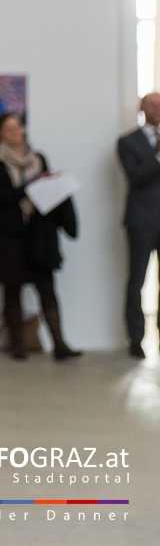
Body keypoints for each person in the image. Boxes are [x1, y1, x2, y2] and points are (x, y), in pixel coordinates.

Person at [0, 113, 80, 361]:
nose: (14, 132)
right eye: (8, 128)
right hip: (8, 237)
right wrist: (31, 186)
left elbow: (47, 195)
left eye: (17, 127)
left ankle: (59, 344)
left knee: (47, 289)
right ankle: (18, 345)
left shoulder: (38, 159)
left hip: (38, 235)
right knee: (12, 291)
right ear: (0, 133)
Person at [116, 92, 160, 358]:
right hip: (141, 221)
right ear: (142, 108)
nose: (157, 108)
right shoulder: (128, 142)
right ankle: (135, 338)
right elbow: (136, 177)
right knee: (137, 281)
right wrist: (157, 155)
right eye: (152, 104)